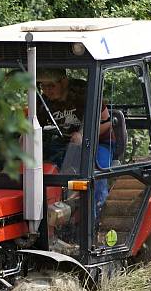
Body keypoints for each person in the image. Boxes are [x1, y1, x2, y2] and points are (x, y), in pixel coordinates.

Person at [36, 68, 115, 214]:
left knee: (97, 172)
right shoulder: (43, 101)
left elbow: (106, 121)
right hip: (64, 144)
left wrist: (83, 134)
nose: (47, 91)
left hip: (98, 142)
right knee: (41, 167)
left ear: (64, 81)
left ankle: (95, 217)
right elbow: (35, 126)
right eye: (43, 86)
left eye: (51, 86)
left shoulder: (85, 92)